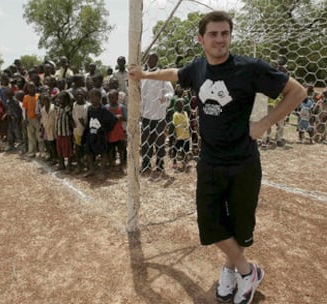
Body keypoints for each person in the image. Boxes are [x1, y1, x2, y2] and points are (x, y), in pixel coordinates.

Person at [129, 11, 306, 304]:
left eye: (225, 33)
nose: (220, 39)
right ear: (201, 39)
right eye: (213, 34)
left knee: (238, 226)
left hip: (243, 163)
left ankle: (231, 269)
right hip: (210, 162)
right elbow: (175, 74)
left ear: (230, 37)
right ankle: (248, 271)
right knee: (210, 224)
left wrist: (264, 123)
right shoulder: (198, 68)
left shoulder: (249, 68)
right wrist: (145, 75)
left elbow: (296, 91)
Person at [139, 52, 174, 174]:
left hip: (159, 114)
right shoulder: (143, 75)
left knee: (159, 141)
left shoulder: (161, 75)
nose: (150, 61)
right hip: (146, 115)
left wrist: (166, 97)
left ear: (157, 60)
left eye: (153, 58)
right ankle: (146, 164)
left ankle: (160, 165)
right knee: (146, 141)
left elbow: (170, 91)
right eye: (149, 58)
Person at [84, 88, 117, 179]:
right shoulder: (90, 109)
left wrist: (105, 129)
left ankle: (102, 171)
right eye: (90, 97)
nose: (92, 99)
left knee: (103, 152)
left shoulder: (103, 109)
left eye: (94, 97)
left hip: (100, 135)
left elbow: (113, 119)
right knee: (89, 152)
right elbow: (89, 120)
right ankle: (91, 169)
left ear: (99, 98)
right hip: (91, 133)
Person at [106, 89, 126, 172]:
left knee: (121, 149)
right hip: (110, 133)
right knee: (110, 150)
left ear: (117, 97)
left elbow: (125, 118)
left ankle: (122, 165)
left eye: (113, 97)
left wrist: (121, 117)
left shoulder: (121, 107)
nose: (111, 99)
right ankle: (112, 164)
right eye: (110, 98)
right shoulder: (106, 107)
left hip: (119, 132)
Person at [22, 81, 44, 157]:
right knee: (31, 136)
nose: (32, 89)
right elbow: (24, 109)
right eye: (30, 87)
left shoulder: (38, 96)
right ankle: (32, 151)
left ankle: (42, 151)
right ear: (27, 89)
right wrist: (25, 119)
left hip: (37, 118)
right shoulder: (26, 97)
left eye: (33, 86)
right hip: (29, 118)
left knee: (40, 135)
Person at [55, 91, 74, 171]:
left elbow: (72, 99)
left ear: (66, 100)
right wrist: (58, 94)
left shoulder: (68, 109)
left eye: (61, 99)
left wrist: (67, 93)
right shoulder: (58, 108)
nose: (59, 100)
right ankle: (61, 164)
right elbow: (52, 99)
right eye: (59, 98)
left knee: (68, 151)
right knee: (60, 150)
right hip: (59, 133)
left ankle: (69, 165)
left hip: (66, 133)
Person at [72, 87, 90, 173]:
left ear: (85, 94)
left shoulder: (88, 106)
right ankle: (79, 166)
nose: (79, 95)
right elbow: (72, 115)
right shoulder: (74, 105)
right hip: (77, 131)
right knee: (78, 148)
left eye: (81, 93)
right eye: (77, 93)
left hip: (86, 132)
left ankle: (88, 165)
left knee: (86, 149)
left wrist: (84, 124)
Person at [171, 98, 191, 171]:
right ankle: (174, 163)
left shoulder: (185, 113)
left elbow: (187, 123)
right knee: (175, 149)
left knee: (186, 150)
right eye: (179, 104)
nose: (181, 105)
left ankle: (185, 162)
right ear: (177, 106)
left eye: (182, 103)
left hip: (186, 135)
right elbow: (174, 126)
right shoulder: (175, 114)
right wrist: (174, 135)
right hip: (179, 136)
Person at [40, 93, 57, 163]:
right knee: (48, 143)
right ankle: (51, 156)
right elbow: (43, 121)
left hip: (54, 128)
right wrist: (42, 130)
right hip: (47, 129)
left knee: (54, 144)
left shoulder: (54, 107)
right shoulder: (43, 110)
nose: (45, 102)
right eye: (44, 100)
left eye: (47, 100)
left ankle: (55, 158)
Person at [4, 88, 22, 152]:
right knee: (10, 133)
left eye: (9, 95)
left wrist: (19, 119)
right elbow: (8, 110)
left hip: (16, 120)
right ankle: (11, 145)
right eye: (6, 95)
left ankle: (21, 147)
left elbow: (20, 111)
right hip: (10, 119)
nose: (8, 96)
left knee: (18, 133)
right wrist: (6, 114)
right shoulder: (7, 101)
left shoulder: (16, 102)